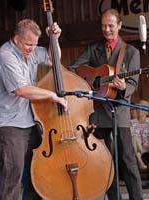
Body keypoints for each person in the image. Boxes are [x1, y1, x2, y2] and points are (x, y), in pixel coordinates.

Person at [0, 19, 67, 200]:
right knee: (12, 174)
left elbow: (54, 59)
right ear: (16, 39)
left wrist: (55, 39)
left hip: (27, 120)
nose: (32, 49)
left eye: (35, 44)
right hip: (6, 123)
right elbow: (22, 90)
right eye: (29, 44)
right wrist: (53, 96)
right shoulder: (6, 56)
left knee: (37, 171)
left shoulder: (30, 50)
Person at [68, 8, 143, 200]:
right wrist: (89, 81)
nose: (107, 29)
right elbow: (74, 69)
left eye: (110, 25)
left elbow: (133, 84)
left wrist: (124, 86)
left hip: (120, 114)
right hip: (98, 113)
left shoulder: (131, 52)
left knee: (127, 161)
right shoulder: (95, 48)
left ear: (119, 26)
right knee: (105, 162)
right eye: (103, 26)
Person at [131, 100, 149, 169]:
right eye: (139, 108)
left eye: (143, 109)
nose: (140, 110)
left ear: (147, 112)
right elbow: (130, 135)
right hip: (138, 146)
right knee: (135, 138)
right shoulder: (132, 122)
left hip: (148, 146)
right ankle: (140, 161)